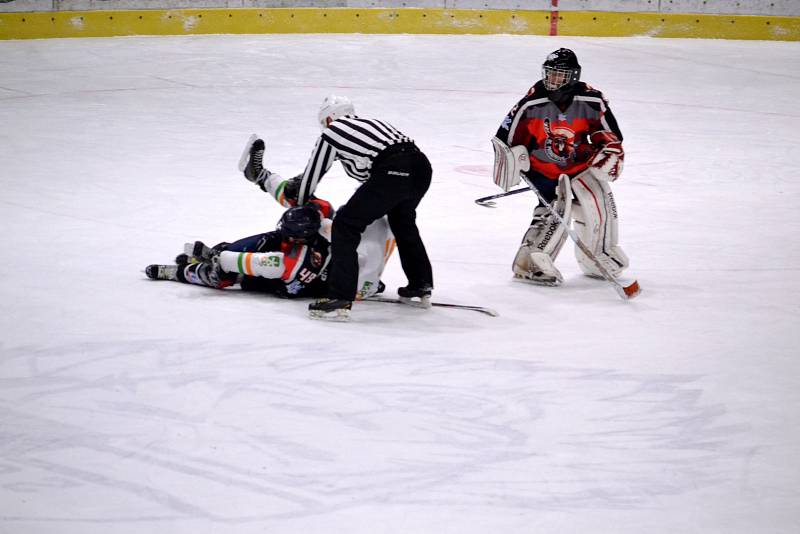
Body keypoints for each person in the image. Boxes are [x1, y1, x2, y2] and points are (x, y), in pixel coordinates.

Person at [246, 95, 434, 321]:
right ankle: (420, 285)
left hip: (392, 171)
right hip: (421, 168)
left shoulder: (331, 133)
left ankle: (340, 299)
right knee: (402, 222)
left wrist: (301, 195)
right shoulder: (370, 124)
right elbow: (375, 177)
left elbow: (312, 177)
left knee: (345, 225)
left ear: (329, 118)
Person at [492, 48, 629, 286]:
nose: (552, 80)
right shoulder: (531, 103)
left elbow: (608, 133)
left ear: (573, 77)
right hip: (542, 168)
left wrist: (607, 150)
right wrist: (515, 161)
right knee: (555, 212)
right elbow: (505, 139)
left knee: (600, 203)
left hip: (578, 166)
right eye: (550, 74)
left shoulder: (591, 100)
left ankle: (598, 255)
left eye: (559, 75)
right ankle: (530, 264)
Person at [145, 196, 394, 302]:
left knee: (223, 275)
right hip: (325, 273)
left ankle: (181, 273)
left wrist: (221, 258)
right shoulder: (325, 223)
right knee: (268, 239)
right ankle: (218, 252)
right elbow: (309, 201)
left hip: (281, 282)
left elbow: (241, 263)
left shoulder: (291, 262)